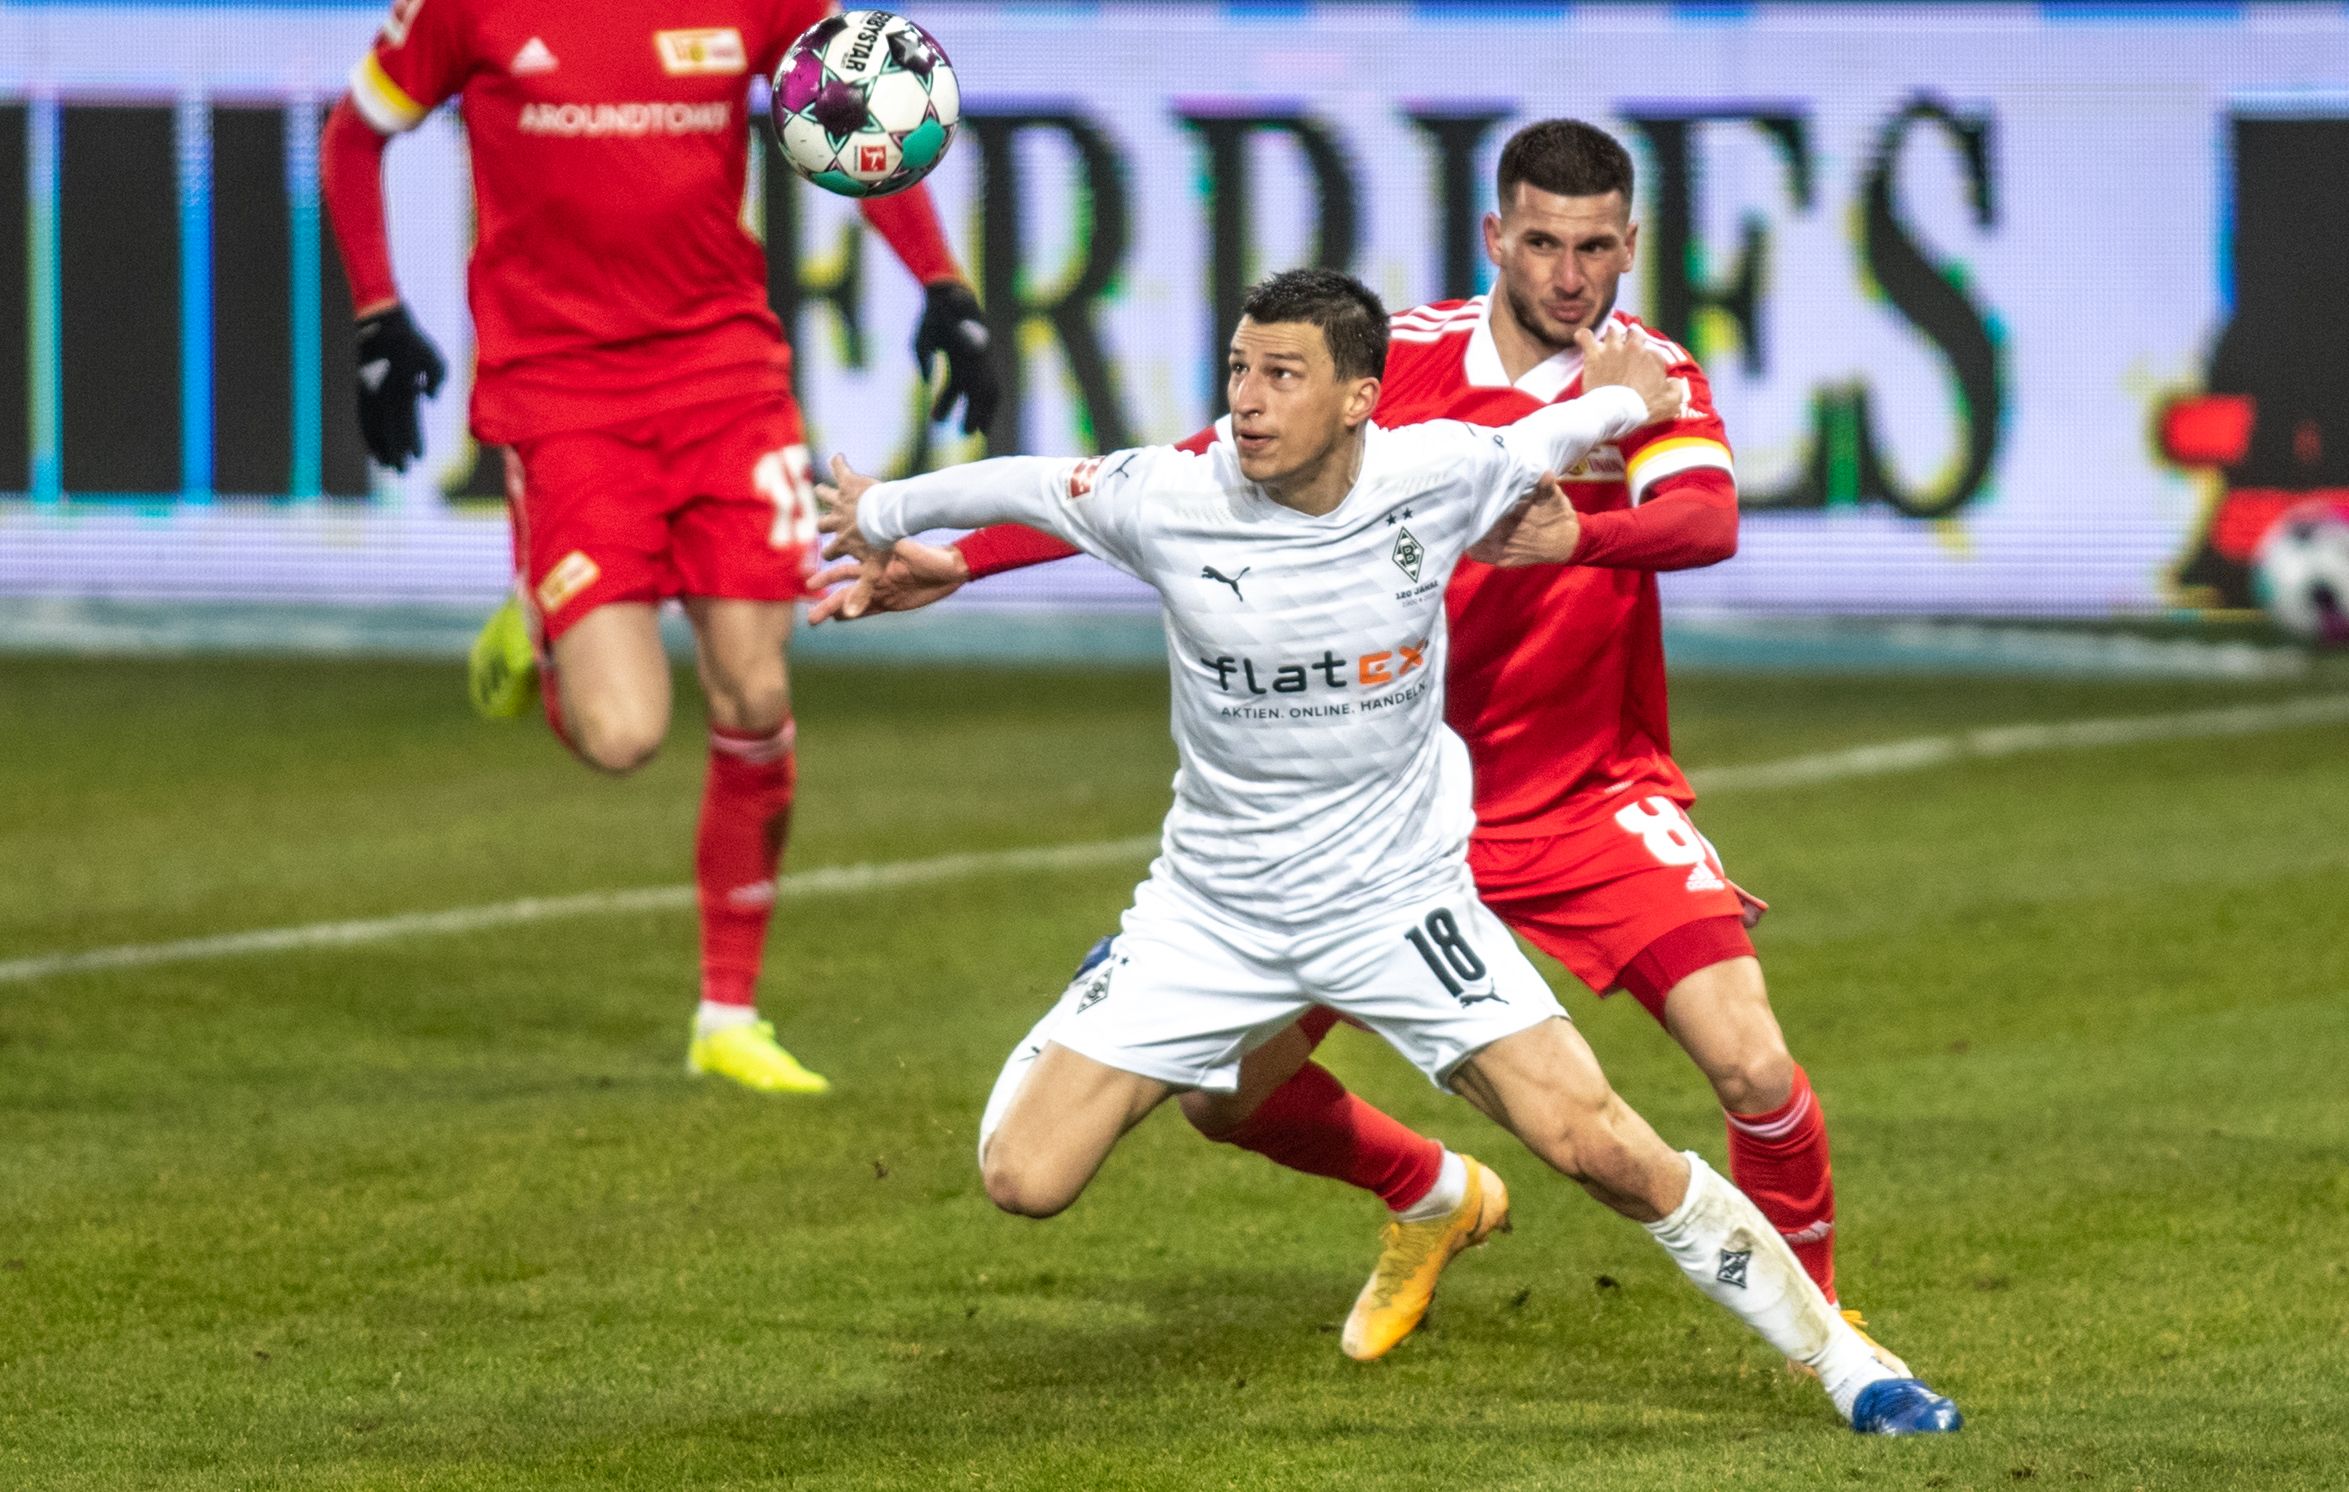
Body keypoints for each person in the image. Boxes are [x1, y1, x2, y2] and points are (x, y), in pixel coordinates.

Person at [814, 267, 1960, 1436]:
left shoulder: (1442, 473)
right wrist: (889, 513)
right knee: (1025, 1179)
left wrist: (1623, 400)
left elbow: (1562, 429)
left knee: (1599, 1144)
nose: (1247, 403)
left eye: (1282, 375)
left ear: (1361, 397)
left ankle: (1849, 1362)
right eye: (1238, 371)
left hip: (1399, 903)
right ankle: (1357, 1139)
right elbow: (1021, 483)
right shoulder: (1164, 493)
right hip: (1214, 912)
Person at [320, 0, 999, 1093]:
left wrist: (946, 287)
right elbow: (354, 134)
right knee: (623, 732)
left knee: (753, 691)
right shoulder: (464, 8)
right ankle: (541, 625)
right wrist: (375, 315)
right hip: (563, 396)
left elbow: (861, 108)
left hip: (724, 378)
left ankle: (728, 1013)